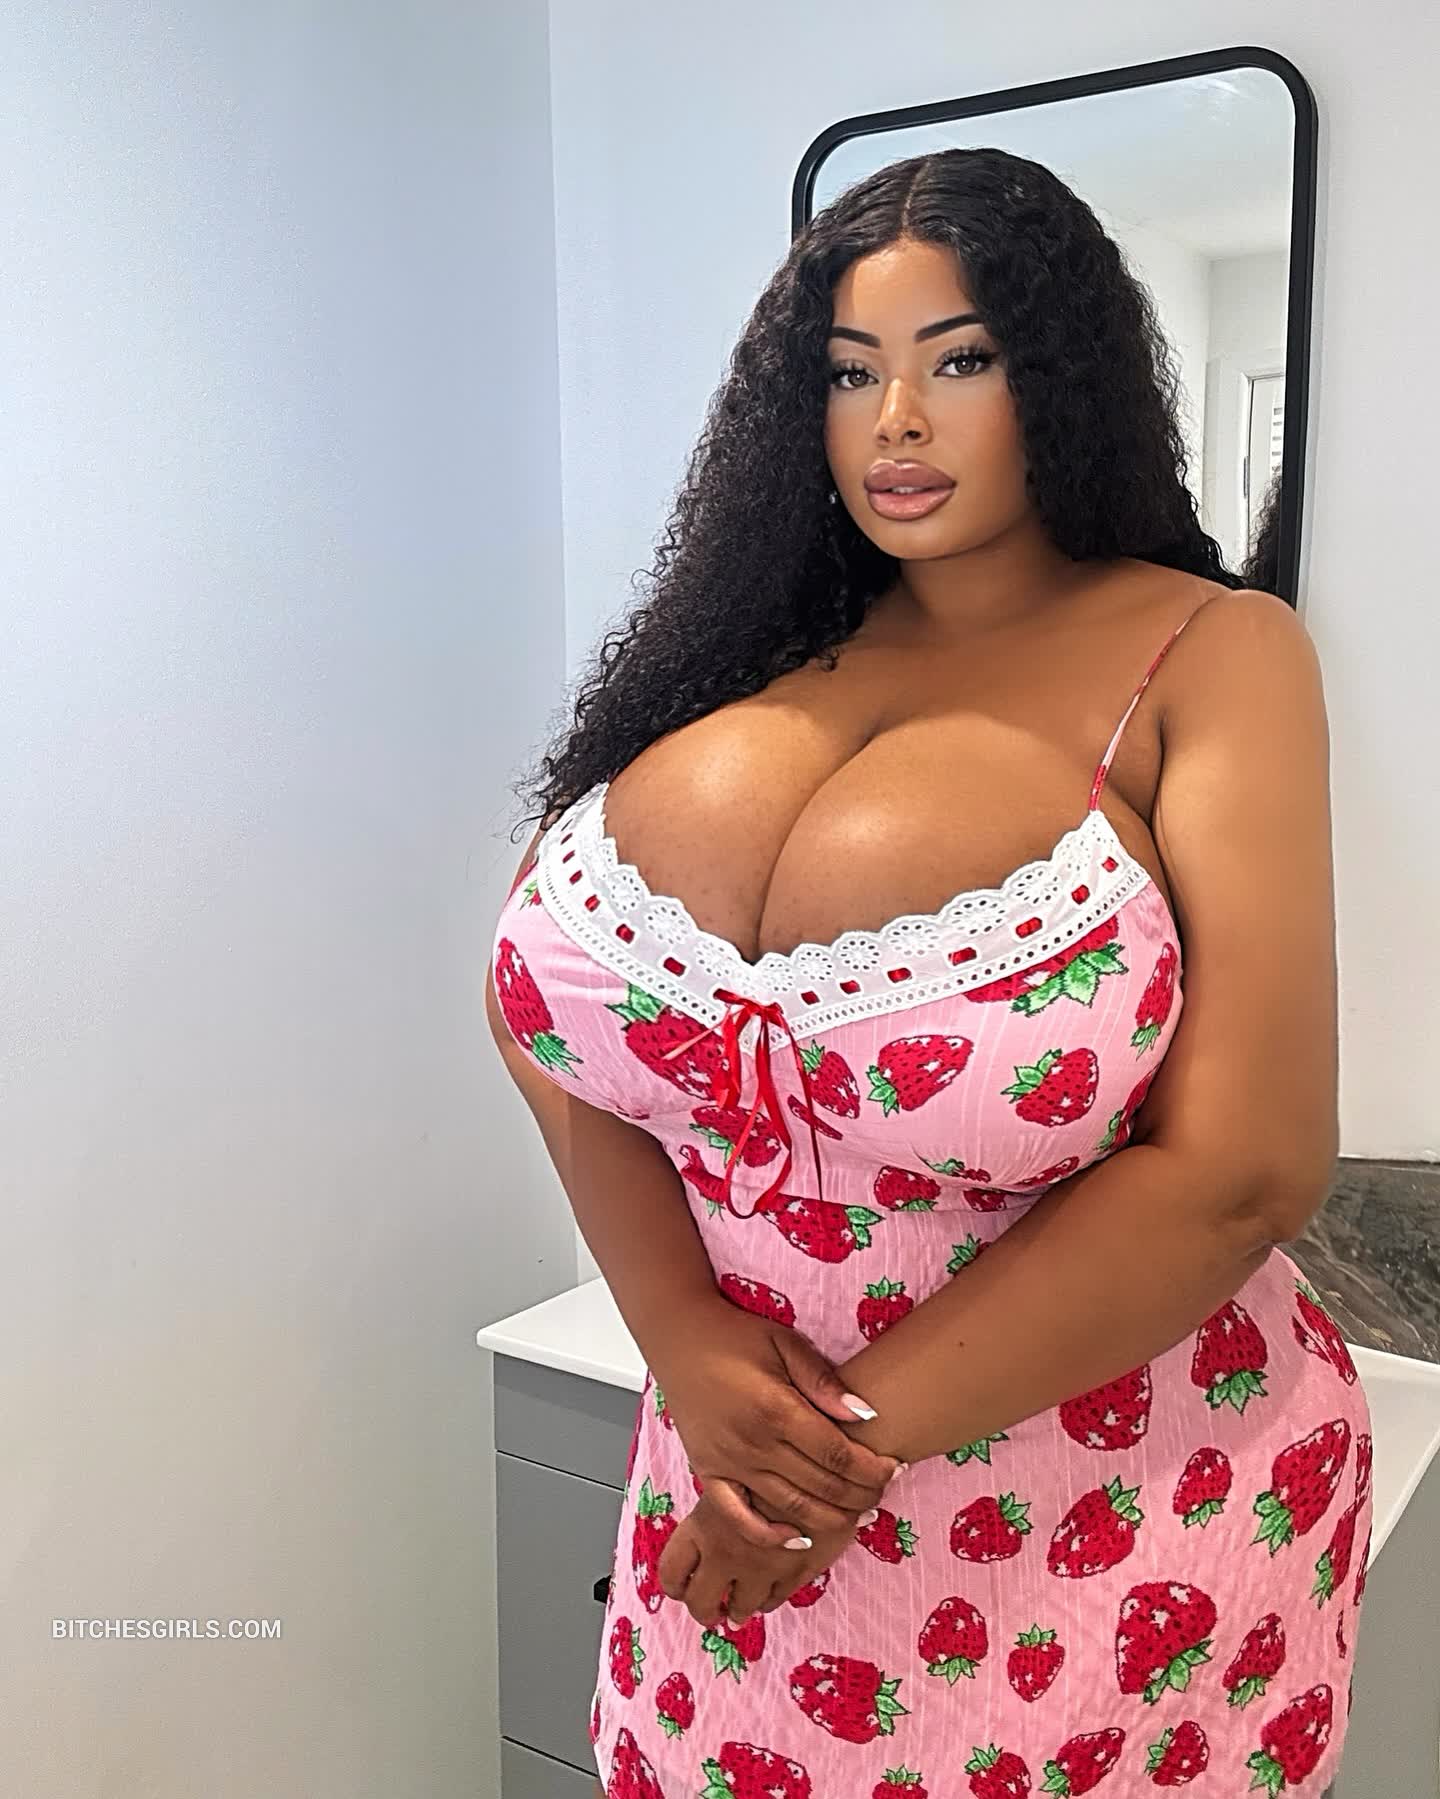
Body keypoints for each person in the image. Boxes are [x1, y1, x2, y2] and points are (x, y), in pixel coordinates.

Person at [488, 147, 1366, 1799]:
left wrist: (818, 1467)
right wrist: (680, 1335)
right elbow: (548, 1014)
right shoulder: (739, 652)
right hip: (731, 1477)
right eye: (849, 373)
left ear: (1062, 375)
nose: (896, 420)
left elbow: (1245, 1167)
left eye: (959, 360)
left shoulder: (1210, 651)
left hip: (1102, 1519)